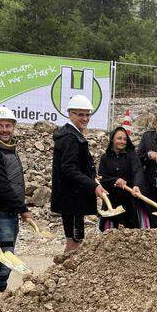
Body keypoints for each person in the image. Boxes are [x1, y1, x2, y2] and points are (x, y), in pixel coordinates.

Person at [0, 106, 32, 296]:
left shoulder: (8, 149)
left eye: (8, 126)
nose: (4, 130)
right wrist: (23, 209)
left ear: (14, 127)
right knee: (5, 256)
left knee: (5, 254)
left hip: (8, 211)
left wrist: (17, 208)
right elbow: (2, 186)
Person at [51, 94, 107, 252]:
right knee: (74, 242)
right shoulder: (71, 138)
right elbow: (68, 168)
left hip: (72, 198)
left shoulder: (72, 135)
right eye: (80, 114)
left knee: (75, 239)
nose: (85, 118)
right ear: (70, 114)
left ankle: (66, 273)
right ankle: (66, 274)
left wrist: (91, 175)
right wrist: (93, 185)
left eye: (87, 114)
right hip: (73, 199)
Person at [98, 126, 143, 230]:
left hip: (128, 199)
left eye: (124, 139)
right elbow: (101, 177)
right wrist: (115, 180)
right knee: (109, 233)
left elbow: (138, 170)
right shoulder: (105, 158)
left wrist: (136, 185)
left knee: (130, 232)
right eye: (119, 138)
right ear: (112, 139)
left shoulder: (131, 155)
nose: (122, 141)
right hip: (111, 199)